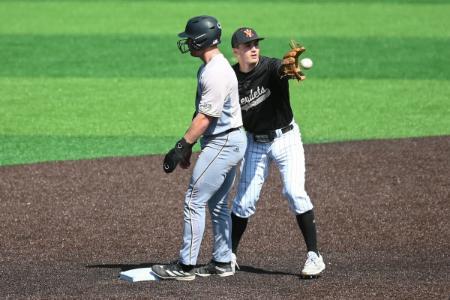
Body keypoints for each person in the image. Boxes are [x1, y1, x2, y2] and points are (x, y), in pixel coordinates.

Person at [151, 16, 247, 281]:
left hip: (223, 141)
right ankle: (222, 261)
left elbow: (206, 117)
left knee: (194, 199)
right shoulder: (211, 67)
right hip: (227, 140)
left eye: (190, 38)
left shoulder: (215, 72)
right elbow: (201, 114)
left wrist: (181, 146)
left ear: (202, 40)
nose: (187, 42)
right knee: (216, 204)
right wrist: (190, 147)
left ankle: (185, 267)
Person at [229, 27, 325, 278]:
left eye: (256, 44)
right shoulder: (230, 78)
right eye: (248, 45)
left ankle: (314, 255)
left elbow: (283, 70)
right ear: (236, 50)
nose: (254, 49)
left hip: (286, 139)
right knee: (244, 202)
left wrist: (287, 70)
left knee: (295, 191)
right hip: (255, 143)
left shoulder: (272, 67)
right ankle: (228, 254)